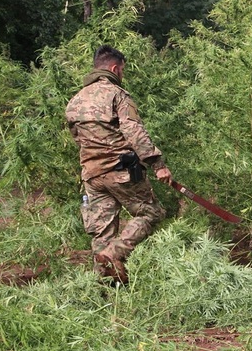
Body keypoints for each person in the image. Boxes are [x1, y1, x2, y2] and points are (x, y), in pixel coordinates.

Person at [65, 45, 172, 285]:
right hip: (120, 170)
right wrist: (158, 164)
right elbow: (134, 130)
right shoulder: (117, 95)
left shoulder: (74, 101)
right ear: (115, 68)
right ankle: (114, 254)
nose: (122, 74)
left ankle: (104, 288)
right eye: (122, 70)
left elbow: (76, 138)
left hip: (91, 176)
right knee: (151, 212)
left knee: (102, 231)